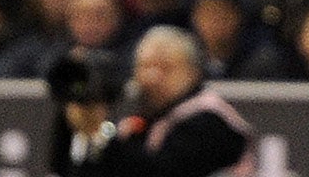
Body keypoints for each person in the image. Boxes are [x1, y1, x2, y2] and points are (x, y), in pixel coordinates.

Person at [52, 25, 252, 177]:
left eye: (165, 67)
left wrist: (102, 136)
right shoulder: (137, 123)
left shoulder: (210, 119)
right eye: (145, 67)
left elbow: (162, 172)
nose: (153, 77)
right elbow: (78, 171)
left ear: (193, 72)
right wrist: (75, 126)